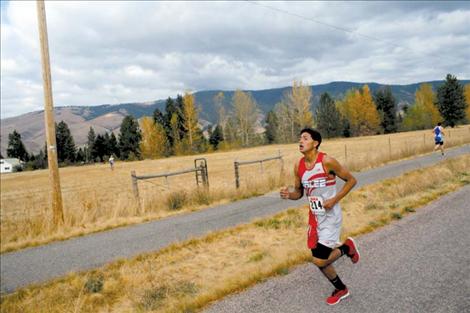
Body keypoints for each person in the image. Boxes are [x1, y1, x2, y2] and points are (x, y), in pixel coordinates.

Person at [280, 128, 359, 306]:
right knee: (319, 260)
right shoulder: (298, 166)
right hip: (314, 217)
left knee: (319, 260)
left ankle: (347, 248)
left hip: (330, 216)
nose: (300, 141)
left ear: (315, 143)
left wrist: (334, 199)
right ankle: (341, 289)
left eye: (305, 138)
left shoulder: (327, 161)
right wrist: (288, 195)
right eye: (299, 138)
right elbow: (299, 193)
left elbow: (352, 180)